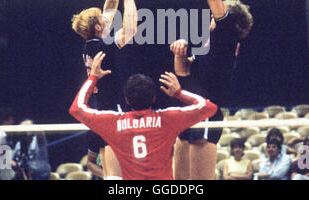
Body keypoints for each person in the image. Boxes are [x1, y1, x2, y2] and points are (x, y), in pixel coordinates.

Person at [170, 0, 254, 180]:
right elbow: (182, 72)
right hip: (187, 111)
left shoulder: (226, 37)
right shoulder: (209, 49)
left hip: (205, 113)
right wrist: (180, 50)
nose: (213, 15)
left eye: (219, 14)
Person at [69, 51, 217, 180]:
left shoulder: (113, 122)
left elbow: (77, 108)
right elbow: (208, 107)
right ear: (154, 98)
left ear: (126, 100)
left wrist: (93, 78)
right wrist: (179, 93)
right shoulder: (167, 118)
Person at [71, 0, 137, 179]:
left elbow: (108, 10)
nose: (105, 18)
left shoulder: (90, 44)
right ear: (98, 28)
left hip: (101, 107)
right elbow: (131, 29)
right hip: (111, 106)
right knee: (117, 172)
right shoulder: (103, 46)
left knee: (111, 171)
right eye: (101, 20)